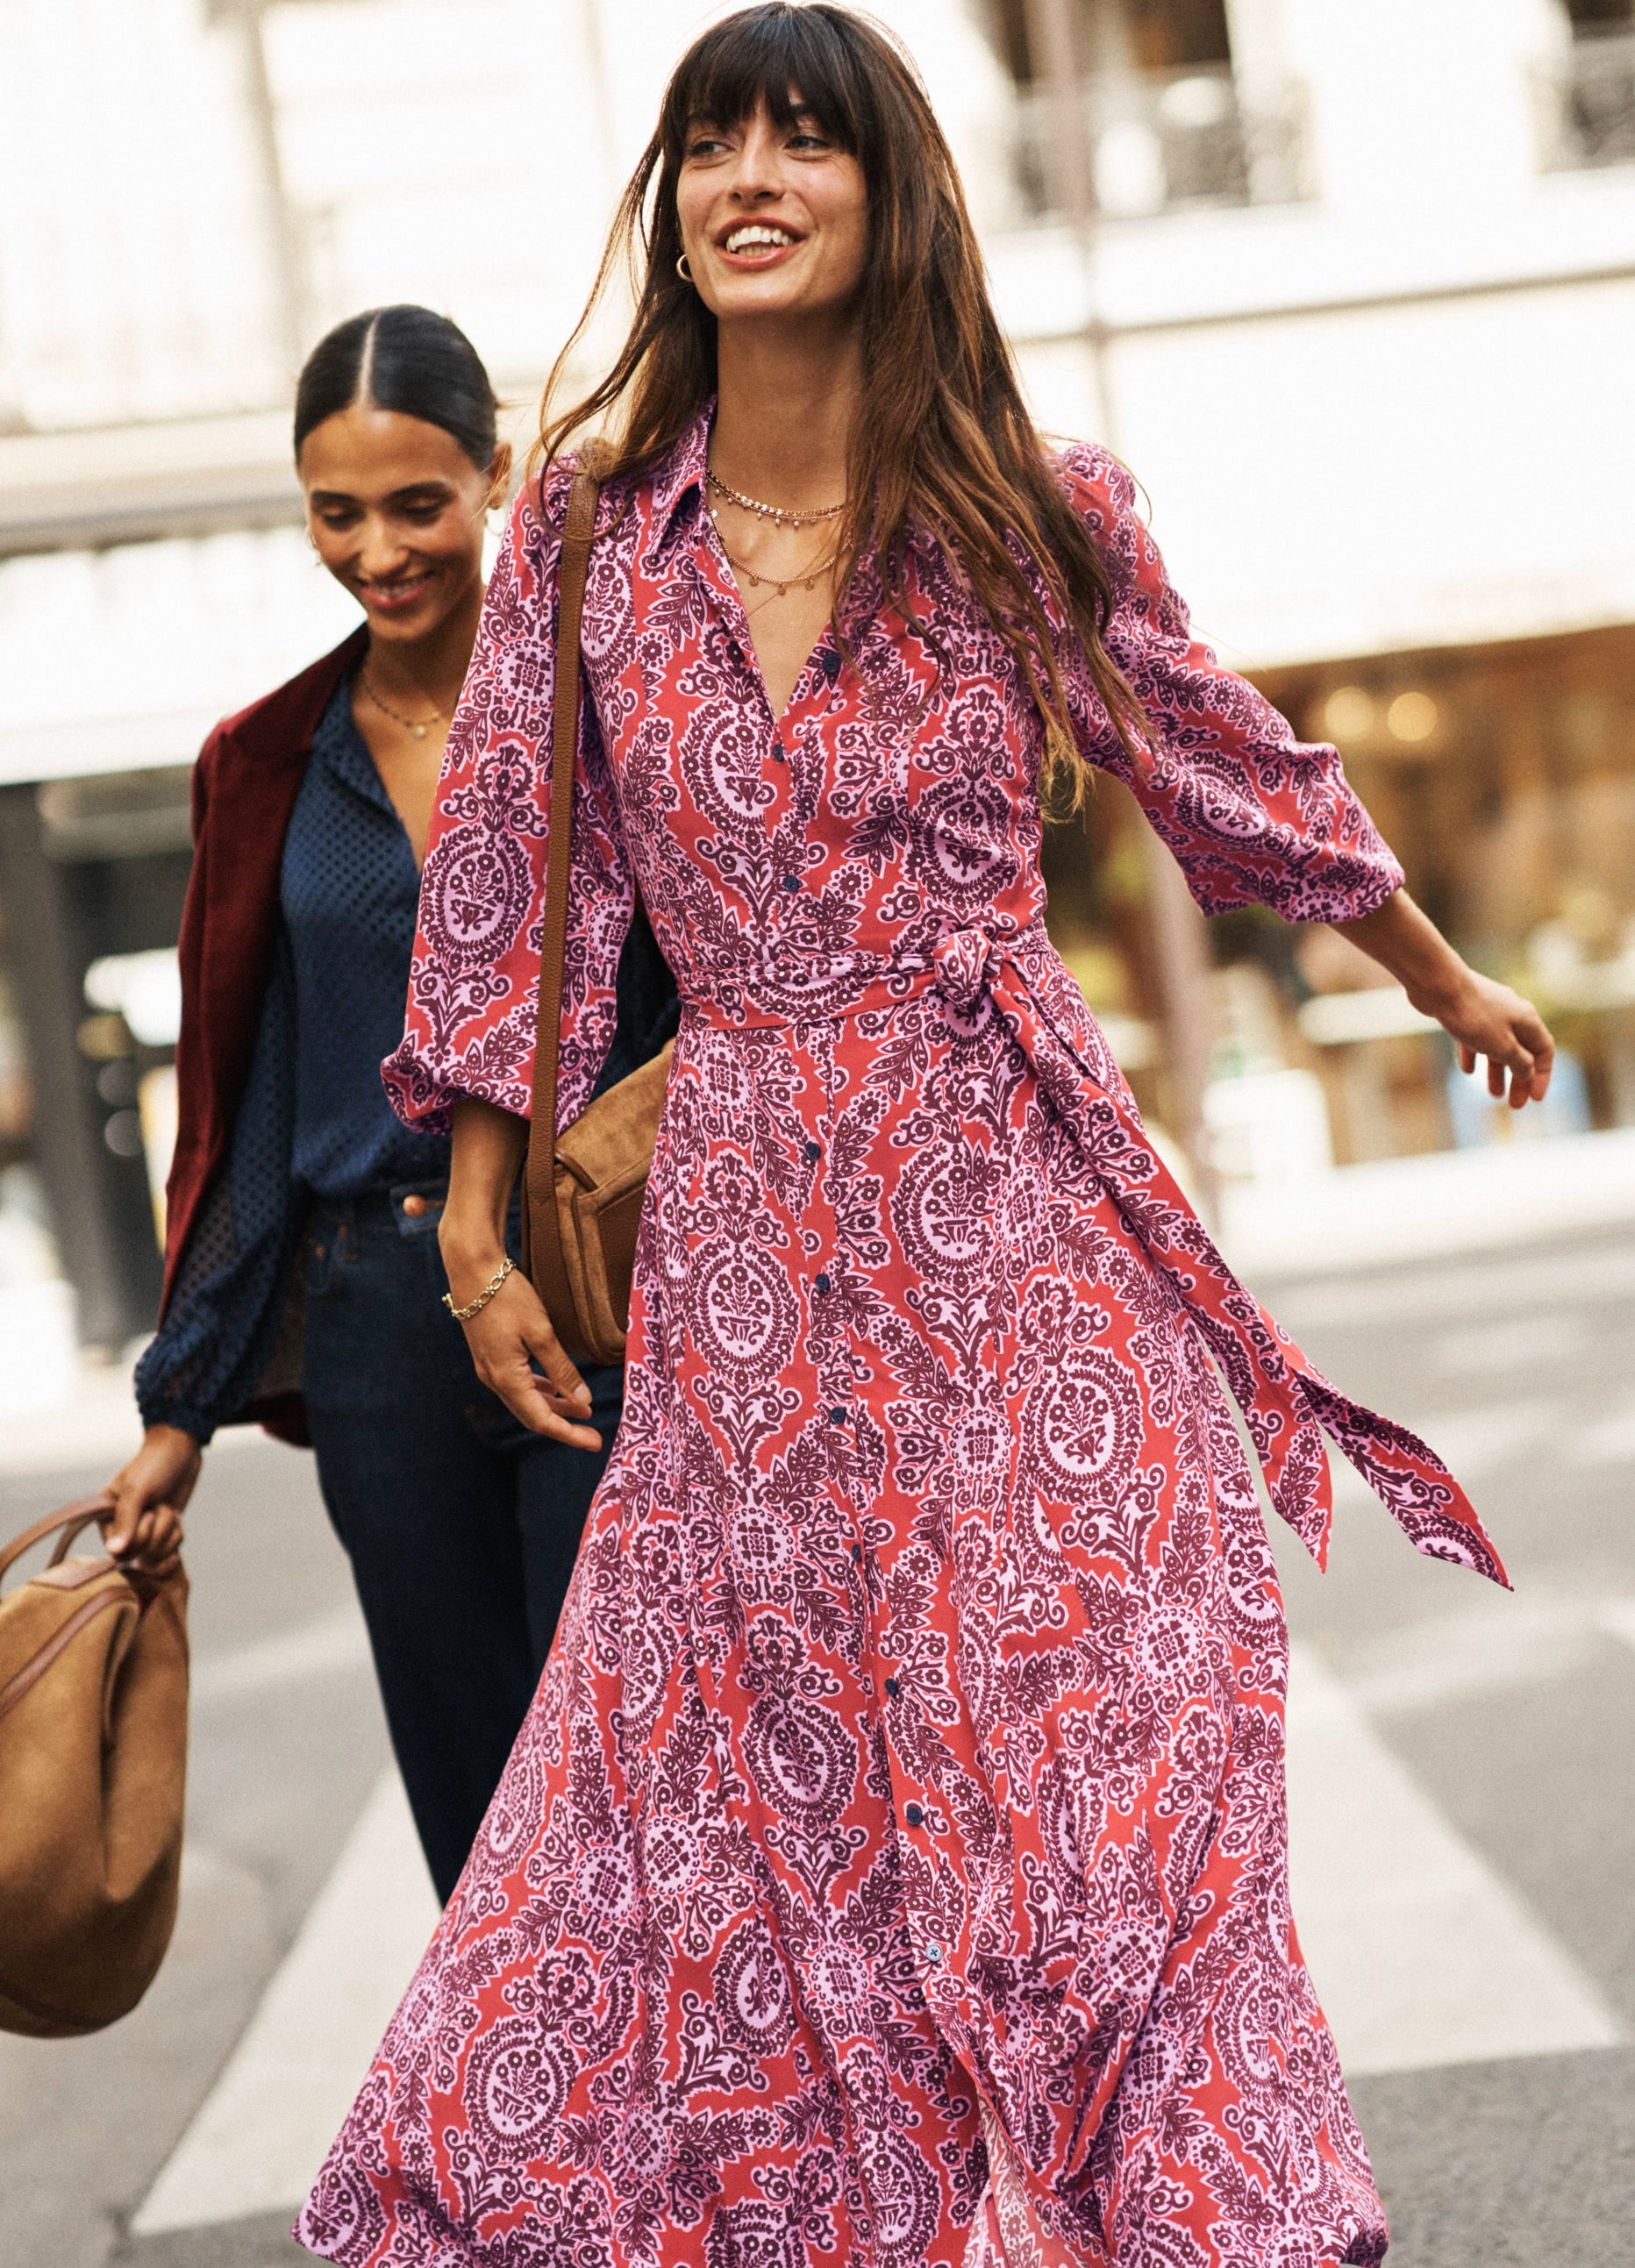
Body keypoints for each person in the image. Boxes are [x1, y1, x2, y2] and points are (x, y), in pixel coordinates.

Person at [300, 14, 1553, 2266]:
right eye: (708, 141)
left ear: (889, 191)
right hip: (752, 1262)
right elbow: (523, 883)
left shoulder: (1024, 499)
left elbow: (1210, 753)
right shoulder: (591, 521)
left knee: (1129, 1714)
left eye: (800, 137)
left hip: (1018, 1210)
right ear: (669, 201)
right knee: (774, 1798)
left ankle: (1195, 2206)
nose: (746, 177)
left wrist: (1436, 972)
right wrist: (479, 1235)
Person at [103, 305, 677, 1903]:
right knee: (472, 1791)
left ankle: (706, 2135)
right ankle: (540, 2149)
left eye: (415, 504)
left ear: (494, 472)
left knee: (640, 1751)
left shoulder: (609, 705)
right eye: (334, 514)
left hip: (602, 1289)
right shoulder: (269, 764)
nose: (377, 551)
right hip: (377, 1314)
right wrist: (177, 1409)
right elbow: (256, 1099)